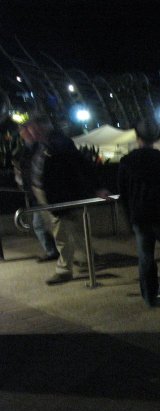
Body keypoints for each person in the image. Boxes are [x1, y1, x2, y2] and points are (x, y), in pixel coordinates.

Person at [24, 114, 100, 285]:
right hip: (46, 196)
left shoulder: (59, 144)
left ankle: (64, 269)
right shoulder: (42, 145)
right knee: (70, 229)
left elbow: (81, 166)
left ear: (41, 128)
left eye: (32, 128)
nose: (29, 132)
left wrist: (97, 187)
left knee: (62, 233)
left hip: (58, 197)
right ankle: (89, 256)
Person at [118, 118, 160, 306]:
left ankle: (149, 296)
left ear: (137, 137)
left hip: (138, 217)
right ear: (155, 139)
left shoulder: (126, 161)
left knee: (145, 256)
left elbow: (124, 195)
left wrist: (128, 219)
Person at [13, 123, 59, 262]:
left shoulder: (37, 147)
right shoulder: (28, 149)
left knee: (41, 224)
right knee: (46, 224)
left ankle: (53, 252)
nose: (24, 133)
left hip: (40, 191)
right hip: (34, 191)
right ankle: (55, 251)